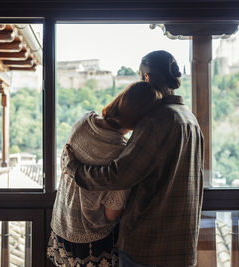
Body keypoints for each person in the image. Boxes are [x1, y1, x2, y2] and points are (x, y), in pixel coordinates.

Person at [64, 50, 204, 267]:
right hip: (182, 246)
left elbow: (120, 175)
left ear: (146, 78)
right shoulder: (190, 119)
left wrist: (75, 170)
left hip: (148, 246)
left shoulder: (157, 121)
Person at [47, 81, 161, 267]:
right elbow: (111, 214)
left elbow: (65, 165)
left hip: (62, 224)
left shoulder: (83, 122)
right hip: (91, 237)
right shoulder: (121, 153)